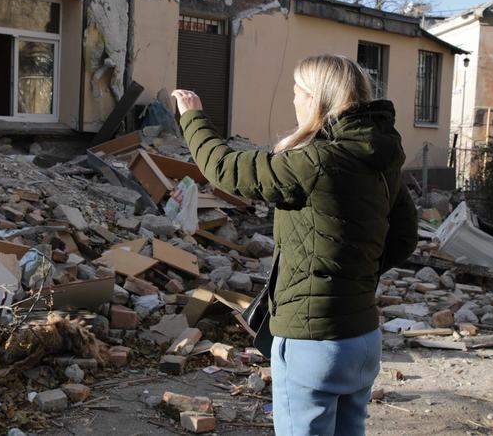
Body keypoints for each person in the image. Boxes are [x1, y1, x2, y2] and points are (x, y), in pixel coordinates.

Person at [171, 54, 418, 436]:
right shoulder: (382, 158)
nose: (293, 101)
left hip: (313, 344)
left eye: (297, 92)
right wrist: (349, 272)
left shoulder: (315, 161)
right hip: (364, 339)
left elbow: (225, 169)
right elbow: (403, 237)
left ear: (316, 100)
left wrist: (192, 117)